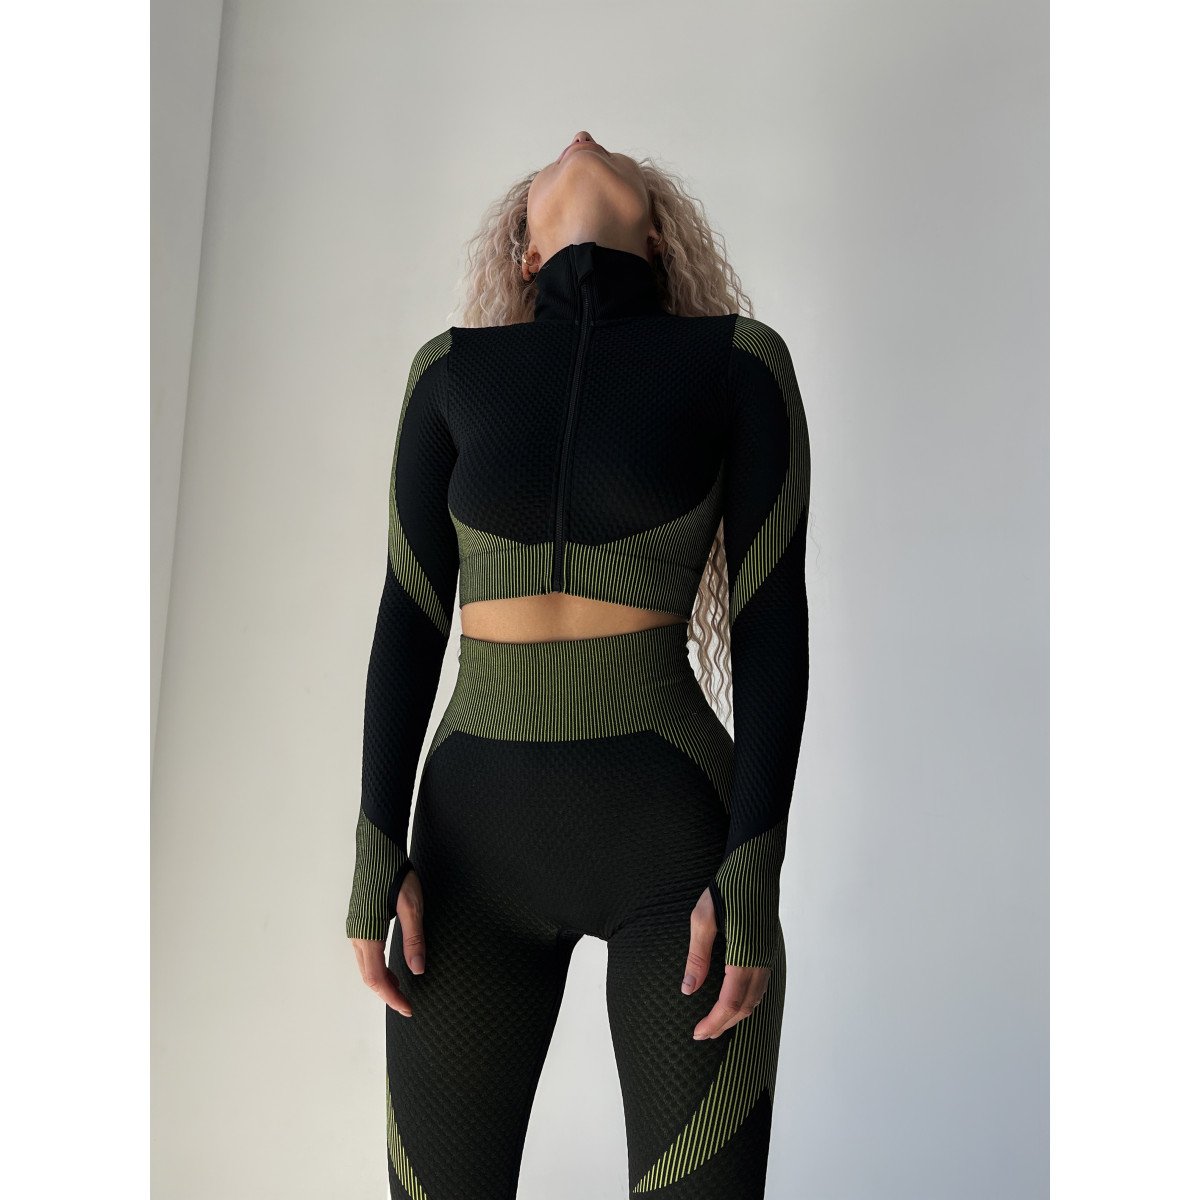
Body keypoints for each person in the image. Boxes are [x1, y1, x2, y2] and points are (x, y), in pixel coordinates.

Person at [346, 130, 811, 1200]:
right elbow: (408, 617)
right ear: (521, 253)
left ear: (658, 238)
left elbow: (772, 621)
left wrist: (754, 865)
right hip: (468, 858)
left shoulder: (737, 364)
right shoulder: (450, 375)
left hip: (677, 851)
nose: (581, 140)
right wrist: (375, 842)